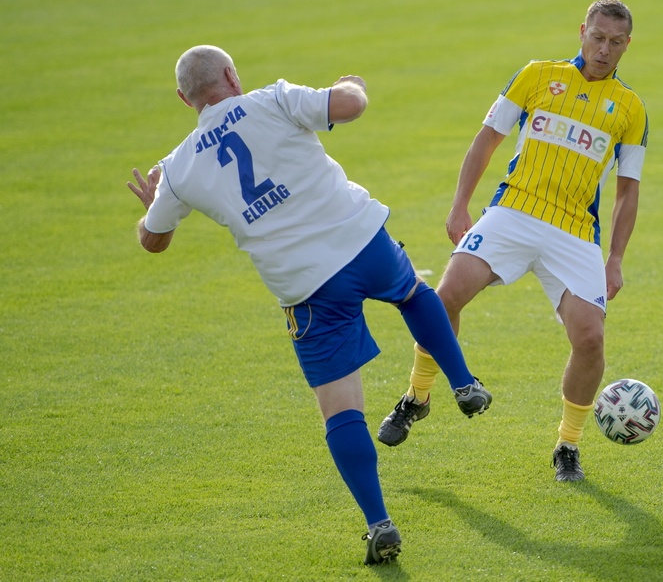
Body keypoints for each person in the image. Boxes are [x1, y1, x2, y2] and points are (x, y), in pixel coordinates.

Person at [126, 45, 491, 565]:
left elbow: (153, 241)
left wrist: (149, 213)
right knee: (413, 294)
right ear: (231, 75)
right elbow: (350, 106)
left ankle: (379, 522)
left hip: (305, 287)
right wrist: (353, 84)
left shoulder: (179, 167)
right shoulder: (272, 99)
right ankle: (463, 383)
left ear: (185, 99)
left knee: (341, 410)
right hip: (359, 240)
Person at [380, 0, 648, 482]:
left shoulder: (630, 109)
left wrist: (616, 259)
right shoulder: (536, 76)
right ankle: (417, 397)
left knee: (590, 338)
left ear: (627, 44)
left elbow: (628, 192)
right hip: (513, 213)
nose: (604, 49)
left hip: (574, 233)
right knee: (443, 298)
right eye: (597, 37)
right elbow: (487, 138)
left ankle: (567, 446)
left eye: (615, 42)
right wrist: (461, 204)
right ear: (581, 31)